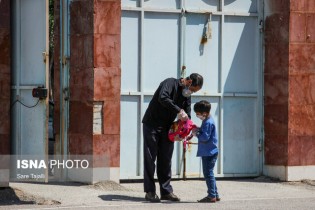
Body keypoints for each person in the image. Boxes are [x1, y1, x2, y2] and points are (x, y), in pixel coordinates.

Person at [142, 73, 203, 202]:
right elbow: (162, 97)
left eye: (194, 92)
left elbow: (187, 113)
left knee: (166, 159)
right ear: (189, 81)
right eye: (192, 89)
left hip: (168, 128)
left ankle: (166, 191)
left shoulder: (186, 95)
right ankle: (150, 192)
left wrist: (187, 130)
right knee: (150, 158)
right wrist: (178, 111)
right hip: (152, 124)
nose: (191, 92)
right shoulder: (170, 83)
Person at [192, 100, 220, 203]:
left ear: (204, 113)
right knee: (210, 173)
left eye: (198, 113)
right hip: (209, 152)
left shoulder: (208, 122)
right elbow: (205, 132)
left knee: (208, 174)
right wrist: (198, 129)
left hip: (209, 153)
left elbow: (205, 137)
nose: (197, 115)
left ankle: (211, 196)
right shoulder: (207, 120)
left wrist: (196, 134)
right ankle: (215, 194)